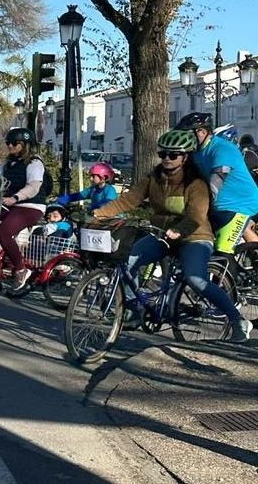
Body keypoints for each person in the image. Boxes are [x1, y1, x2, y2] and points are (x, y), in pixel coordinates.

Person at [92, 130, 251, 341]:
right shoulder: (153, 178)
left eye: (173, 155)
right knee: (128, 261)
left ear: (185, 157)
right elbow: (128, 201)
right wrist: (97, 214)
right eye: (163, 153)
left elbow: (196, 215)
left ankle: (237, 319)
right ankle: (131, 310)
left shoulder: (196, 184)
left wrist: (179, 230)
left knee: (196, 279)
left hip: (194, 237)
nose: (166, 158)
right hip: (162, 235)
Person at [175, 112, 258, 254]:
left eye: (187, 134)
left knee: (222, 252)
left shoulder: (223, 149)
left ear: (201, 132)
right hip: (218, 206)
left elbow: (215, 184)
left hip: (239, 205)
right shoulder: (195, 152)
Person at [0, 127, 52, 290]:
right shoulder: (7, 163)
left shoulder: (34, 163)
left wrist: (15, 198)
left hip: (30, 206)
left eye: (15, 143)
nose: (10, 146)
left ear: (26, 145)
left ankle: (21, 268)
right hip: (9, 204)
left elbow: (34, 187)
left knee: (4, 232)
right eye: (8, 143)